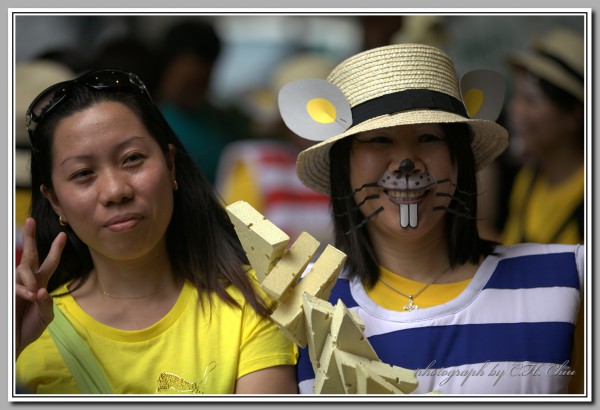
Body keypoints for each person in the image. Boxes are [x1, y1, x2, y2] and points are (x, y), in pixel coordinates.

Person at [277, 44, 584, 394]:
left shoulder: (570, 277)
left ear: (459, 158)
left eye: (428, 138)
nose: (406, 163)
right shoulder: (298, 300)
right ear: (343, 166)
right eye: (380, 140)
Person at [14, 68, 298, 394]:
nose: (115, 191)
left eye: (132, 159)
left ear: (170, 164)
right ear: (54, 201)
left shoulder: (251, 302)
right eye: (83, 174)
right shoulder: (29, 329)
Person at [502, 27, 585, 245]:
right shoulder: (528, 180)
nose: (515, 109)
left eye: (530, 100)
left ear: (573, 114)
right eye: (517, 96)